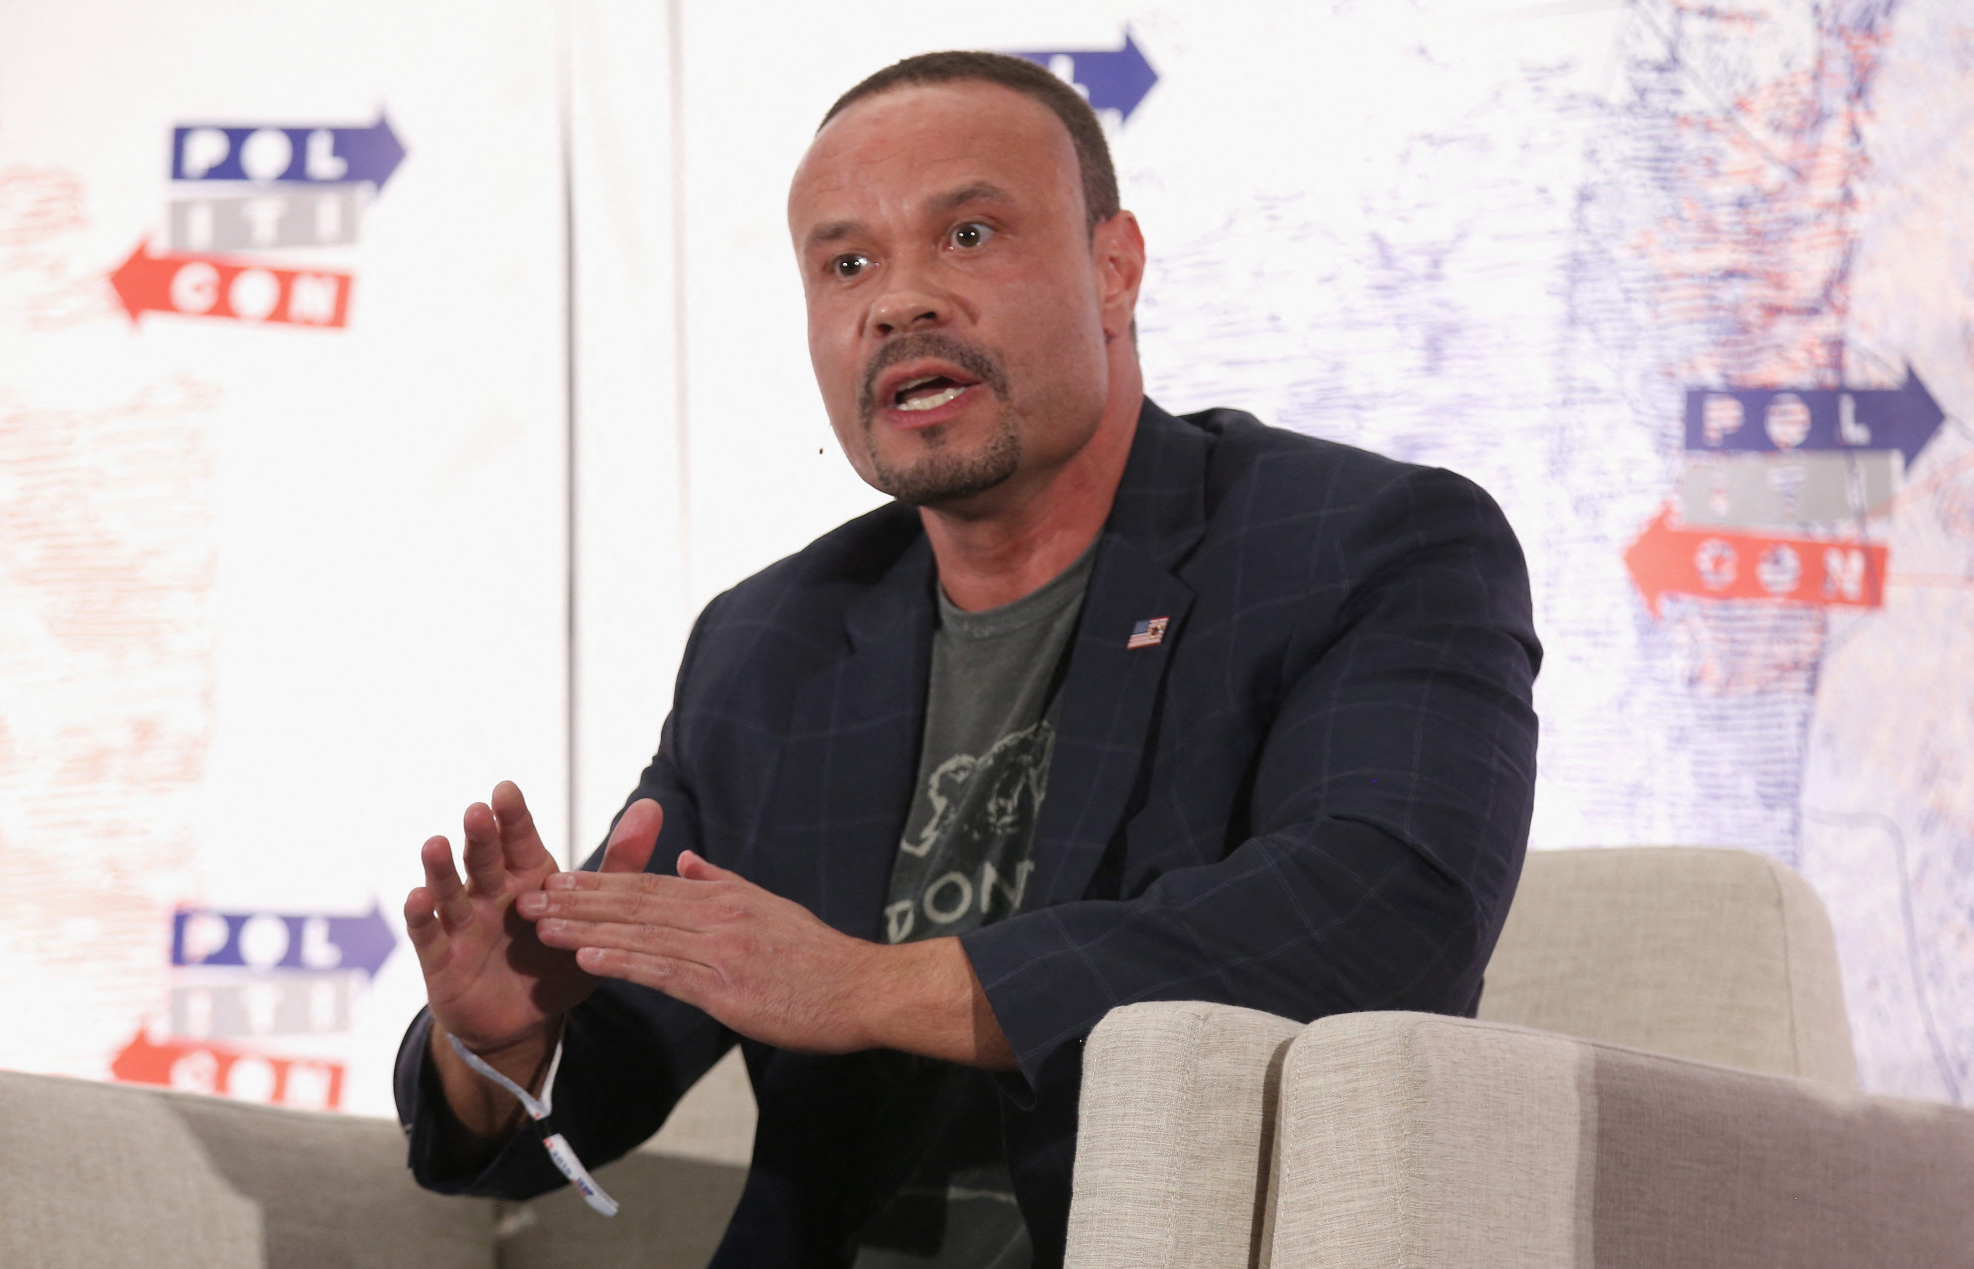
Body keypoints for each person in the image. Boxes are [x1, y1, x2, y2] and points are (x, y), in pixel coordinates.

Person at [395, 50, 1540, 1269]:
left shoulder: (1359, 545)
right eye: (846, 266)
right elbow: (605, 1064)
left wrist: (862, 988)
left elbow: (1379, 915)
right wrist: (500, 1038)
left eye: (968, 235)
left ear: (1113, 267)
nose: (897, 303)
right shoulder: (772, 642)